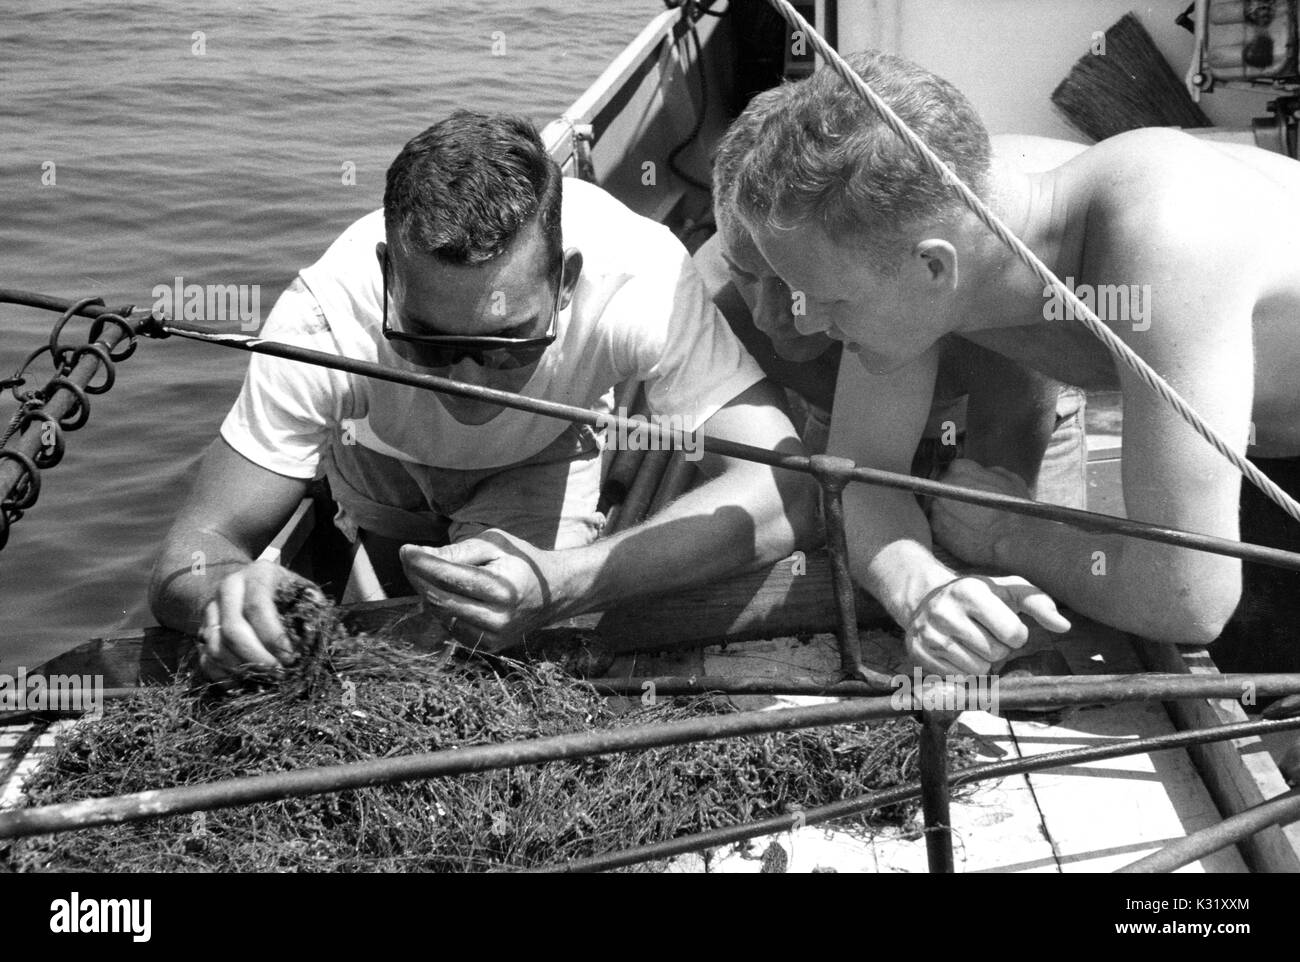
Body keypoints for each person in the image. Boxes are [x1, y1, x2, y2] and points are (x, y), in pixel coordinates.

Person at [149, 110, 816, 683]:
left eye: (508, 344)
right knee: (393, 620)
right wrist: (225, 590)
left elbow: (787, 493)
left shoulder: (641, 280)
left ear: (566, 284)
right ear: (388, 278)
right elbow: (193, 551)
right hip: (376, 463)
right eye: (430, 343)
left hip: (538, 459)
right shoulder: (322, 317)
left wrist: (565, 581)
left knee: (499, 656)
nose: (465, 384)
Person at [718, 49, 1300, 676]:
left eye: (826, 300)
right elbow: (862, 479)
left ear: (934, 266)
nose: (801, 323)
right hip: (1258, 441)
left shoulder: (1170, 245)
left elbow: (1187, 595)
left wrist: (1009, 533)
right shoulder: (925, 212)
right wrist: (923, 590)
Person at [696, 92, 1091, 512]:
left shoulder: (977, 295)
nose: (767, 317)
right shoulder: (707, 297)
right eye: (745, 278)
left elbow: (1002, 504)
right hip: (837, 425)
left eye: (793, 284)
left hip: (1000, 419)